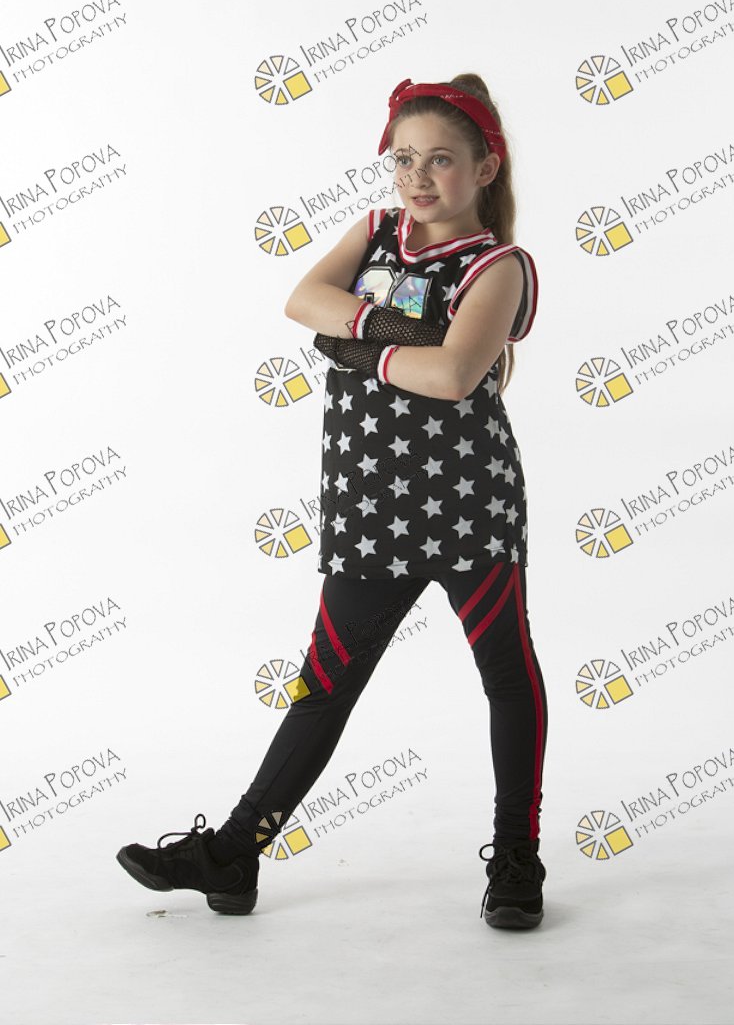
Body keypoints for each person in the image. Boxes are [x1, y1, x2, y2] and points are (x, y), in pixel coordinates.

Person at [116, 73, 549, 930]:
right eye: (403, 159)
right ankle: (234, 852)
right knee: (324, 684)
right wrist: (402, 332)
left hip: (470, 506)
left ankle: (516, 858)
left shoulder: (499, 266)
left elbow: (455, 373)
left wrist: (352, 344)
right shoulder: (376, 231)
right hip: (370, 507)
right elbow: (301, 300)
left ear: (485, 167)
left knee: (505, 673)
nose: (417, 177)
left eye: (440, 160)